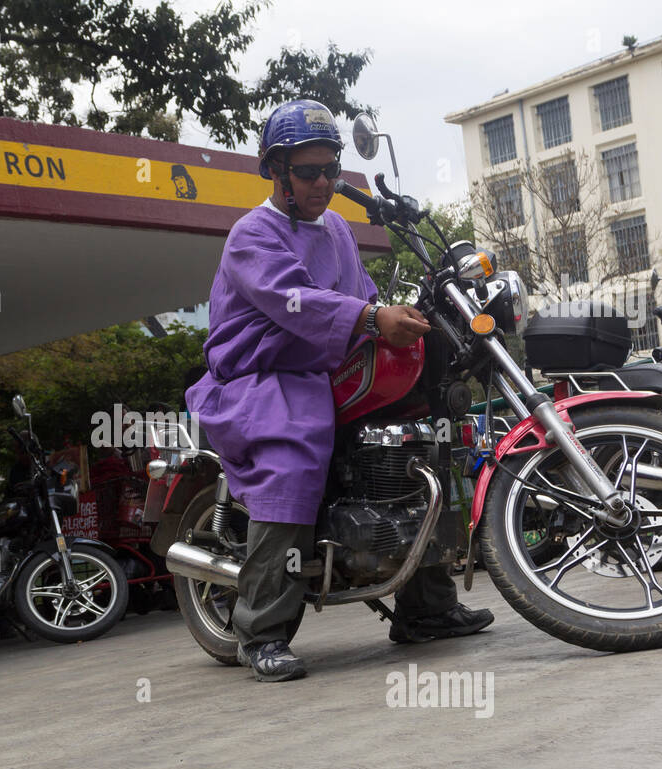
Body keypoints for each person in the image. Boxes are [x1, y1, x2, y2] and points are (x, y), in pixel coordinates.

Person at [185, 99, 492, 683]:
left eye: (330, 169)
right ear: (276, 171)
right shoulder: (252, 233)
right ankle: (262, 630)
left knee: (422, 439)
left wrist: (407, 312)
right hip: (263, 375)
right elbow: (295, 300)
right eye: (308, 171)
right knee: (294, 456)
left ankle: (426, 609)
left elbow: (361, 293)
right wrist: (373, 318)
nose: (323, 182)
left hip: (324, 364)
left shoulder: (337, 231)